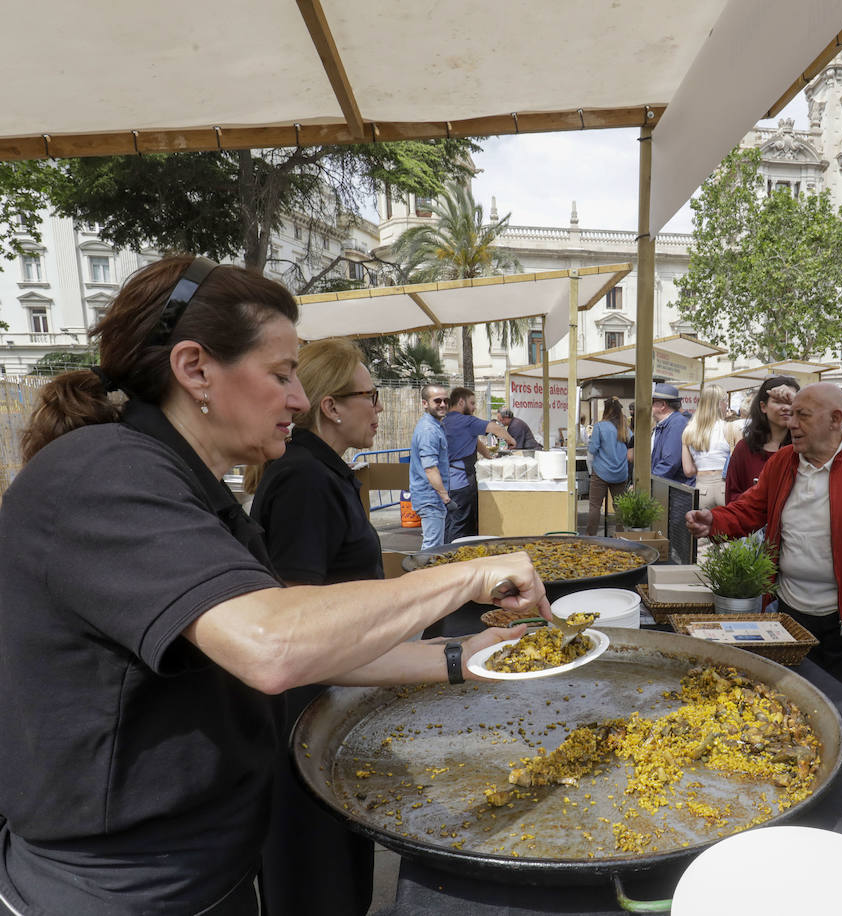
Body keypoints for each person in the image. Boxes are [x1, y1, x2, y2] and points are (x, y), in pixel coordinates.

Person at [0, 256, 550, 915]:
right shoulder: (100, 475)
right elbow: (273, 645)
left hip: (213, 874)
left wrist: (470, 659)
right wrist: (469, 575)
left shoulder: (197, 493)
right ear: (195, 368)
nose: (297, 397)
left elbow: (302, 646)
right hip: (115, 894)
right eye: (281, 373)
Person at [248, 337, 383, 916]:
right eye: (370, 396)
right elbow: (298, 610)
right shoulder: (306, 479)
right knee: (317, 880)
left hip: (329, 697)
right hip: (305, 714)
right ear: (332, 406)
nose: (378, 408)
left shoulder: (320, 471)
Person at [685, 383, 842, 695]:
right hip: (790, 614)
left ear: (836, 419)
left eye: (803, 416)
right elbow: (752, 509)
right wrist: (715, 520)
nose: (791, 423)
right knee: (791, 703)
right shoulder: (782, 462)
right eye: (791, 415)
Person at [444, 386, 516, 541]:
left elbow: (475, 442)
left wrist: (489, 457)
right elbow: (495, 427)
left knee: (449, 522)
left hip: (446, 481)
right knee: (461, 525)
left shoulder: (445, 421)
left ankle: (445, 555)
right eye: (472, 403)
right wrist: (511, 440)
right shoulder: (466, 421)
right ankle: (456, 559)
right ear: (461, 402)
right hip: (461, 481)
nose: (475, 407)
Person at [724, 376, 798, 504]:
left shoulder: (805, 448)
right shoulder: (744, 448)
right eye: (779, 401)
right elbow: (732, 496)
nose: (786, 407)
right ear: (763, 407)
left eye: (791, 401)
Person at [410, 383, 452, 549]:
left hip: (432, 497)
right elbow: (430, 468)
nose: (443, 404)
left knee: (435, 546)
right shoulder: (429, 430)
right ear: (425, 403)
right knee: (432, 548)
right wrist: (445, 497)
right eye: (437, 401)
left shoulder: (435, 425)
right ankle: (423, 575)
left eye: (445, 400)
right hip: (431, 498)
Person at [681, 384, 732, 512]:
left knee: (703, 530)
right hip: (725, 487)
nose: (727, 405)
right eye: (726, 401)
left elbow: (688, 470)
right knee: (728, 530)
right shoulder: (729, 428)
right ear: (720, 403)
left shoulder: (689, 431)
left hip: (702, 490)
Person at [586, 397, 631, 536]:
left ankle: (590, 537)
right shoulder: (626, 428)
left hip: (601, 472)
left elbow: (593, 449)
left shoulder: (600, 426)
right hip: (621, 473)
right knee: (620, 507)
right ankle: (621, 535)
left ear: (606, 411)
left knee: (595, 506)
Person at [648, 382, 691, 484]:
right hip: (668, 487)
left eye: (652, 402)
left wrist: (649, 481)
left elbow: (670, 462)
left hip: (676, 490)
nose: (650, 406)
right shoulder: (667, 423)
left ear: (663, 405)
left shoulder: (677, 423)